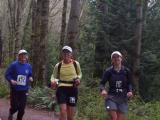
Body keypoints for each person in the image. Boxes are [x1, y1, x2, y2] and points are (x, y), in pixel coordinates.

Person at [50, 45, 82, 120]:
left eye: (68, 53)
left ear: (71, 54)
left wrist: (78, 78)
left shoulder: (75, 64)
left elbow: (80, 73)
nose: (66, 54)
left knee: (70, 116)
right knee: (63, 110)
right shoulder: (58, 65)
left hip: (73, 89)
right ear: (62, 54)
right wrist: (53, 81)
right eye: (64, 52)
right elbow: (53, 76)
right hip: (62, 89)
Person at [99, 51, 133, 120]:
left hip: (123, 98)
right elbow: (102, 83)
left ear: (121, 58)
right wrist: (103, 90)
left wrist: (130, 91)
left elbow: (129, 83)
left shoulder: (126, 71)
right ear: (112, 60)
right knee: (113, 117)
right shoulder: (108, 71)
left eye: (118, 56)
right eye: (114, 57)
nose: (116, 58)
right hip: (111, 97)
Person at [5, 49, 33, 120]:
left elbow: (30, 74)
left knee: (22, 108)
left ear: (27, 56)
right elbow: (7, 74)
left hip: (24, 90)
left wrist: (30, 78)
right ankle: (11, 112)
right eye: (22, 55)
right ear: (19, 56)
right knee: (15, 107)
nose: (23, 56)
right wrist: (11, 80)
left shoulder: (28, 66)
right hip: (15, 89)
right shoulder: (14, 65)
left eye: (25, 54)